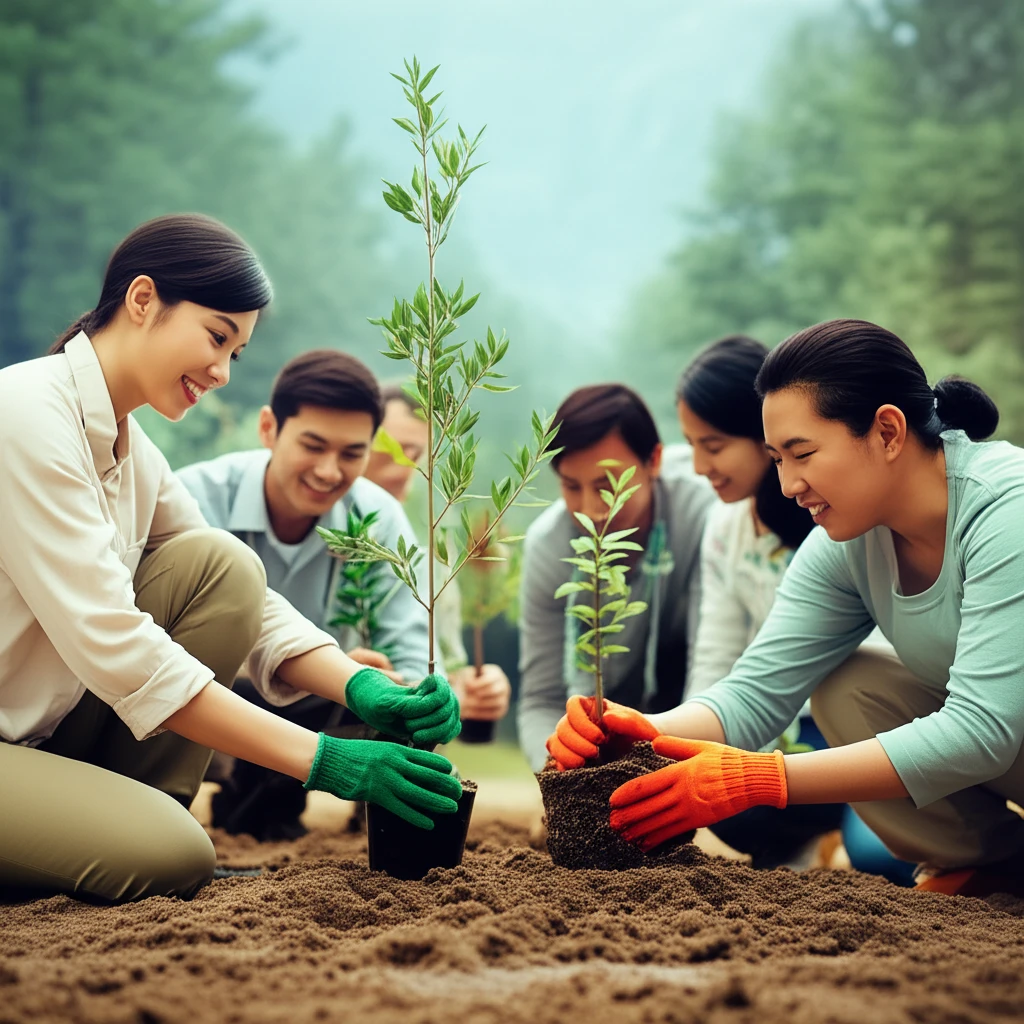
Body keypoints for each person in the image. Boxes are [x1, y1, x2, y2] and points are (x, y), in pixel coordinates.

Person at [0, 214, 461, 905]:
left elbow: (251, 601)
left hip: (40, 739)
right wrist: (326, 761)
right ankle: (115, 838)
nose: (220, 372)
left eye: (236, 352)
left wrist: (358, 688)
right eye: (217, 336)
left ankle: (116, 820)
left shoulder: (130, 448)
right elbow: (118, 645)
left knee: (221, 563)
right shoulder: (29, 417)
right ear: (143, 300)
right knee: (173, 855)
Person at [549, 319, 1024, 898]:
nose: (789, 483)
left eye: (802, 453)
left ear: (888, 431)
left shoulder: (1005, 512)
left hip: (1003, 740)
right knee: (847, 685)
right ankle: (989, 869)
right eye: (776, 458)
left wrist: (762, 778)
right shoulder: (849, 540)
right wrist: (642, 733)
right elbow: (754, 693)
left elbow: (982, 730)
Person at [677, 335, 912, 881]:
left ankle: (855, 825)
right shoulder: (741, 532)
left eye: (712, 445)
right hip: (796, 726)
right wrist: (651, 740)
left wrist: (767, 777)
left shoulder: (858, 520)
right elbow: (738, 678)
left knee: (883, 858)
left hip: (880, 728)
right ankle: (815, 840)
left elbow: (956, 713)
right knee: (725, 801)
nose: (698, 466)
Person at [177, 352, 436, 838]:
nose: (328, 471)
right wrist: (333, 668)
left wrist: (388, 681)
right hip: (207, 702)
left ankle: (368, 829)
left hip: (321, 705)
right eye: (312, 445)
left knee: (397, 709)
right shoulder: (195, 497)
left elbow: (411, 649)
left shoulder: (377, 519)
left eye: (351, 454)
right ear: (270, 428)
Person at [518, 384, 715, 772]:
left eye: (608, 487)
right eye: (571, 487)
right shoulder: (548, 545)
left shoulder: (703, 515)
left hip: (687, 713)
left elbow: (712, 664)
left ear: (654, 460)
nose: (590, 509)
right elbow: (541, 698)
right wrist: (560, 770)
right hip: (599, 736)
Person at [365, 385, 511, 729]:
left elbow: (446, 672)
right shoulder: (323, 525)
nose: (404, 466)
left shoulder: (432, 557)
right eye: (391, 451)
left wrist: (475, 690)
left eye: (417, 455)